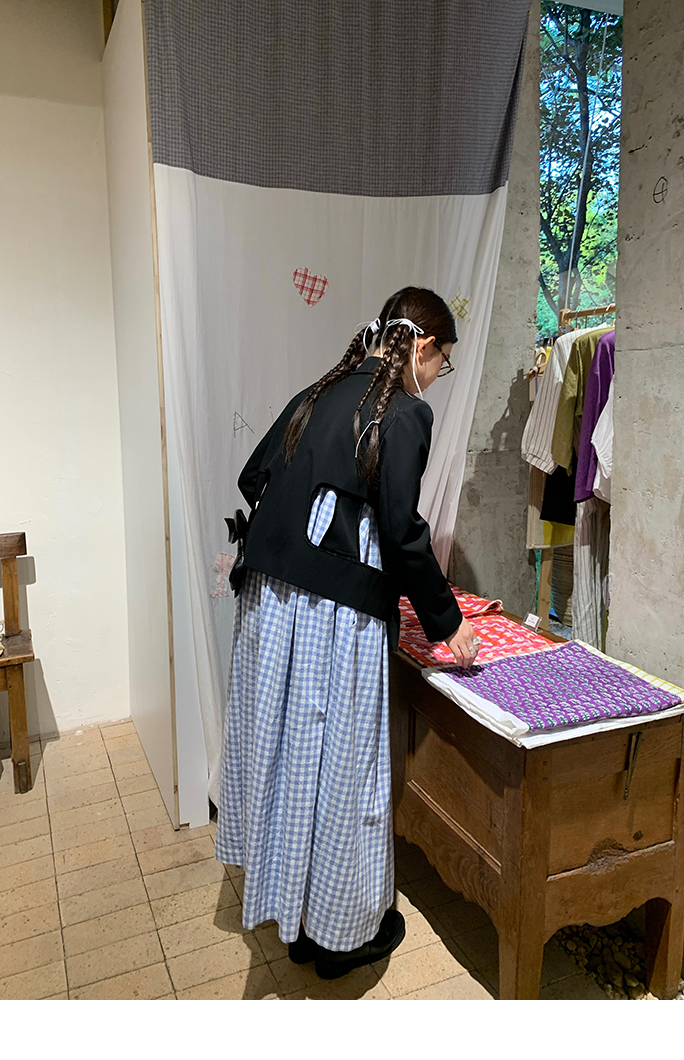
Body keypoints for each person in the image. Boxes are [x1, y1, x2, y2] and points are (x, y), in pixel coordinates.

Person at [215, 286, 478, 981]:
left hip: (271, 605)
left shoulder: (319, 391)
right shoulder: (406, 412)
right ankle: (336, 934)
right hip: (334, 617)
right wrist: (449, 623)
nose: (436, 377)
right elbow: (403, 532)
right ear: (424, 347)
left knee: (286, 758)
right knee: (341, 767)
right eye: (442, 362)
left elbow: (253, 475)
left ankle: (294, 916)